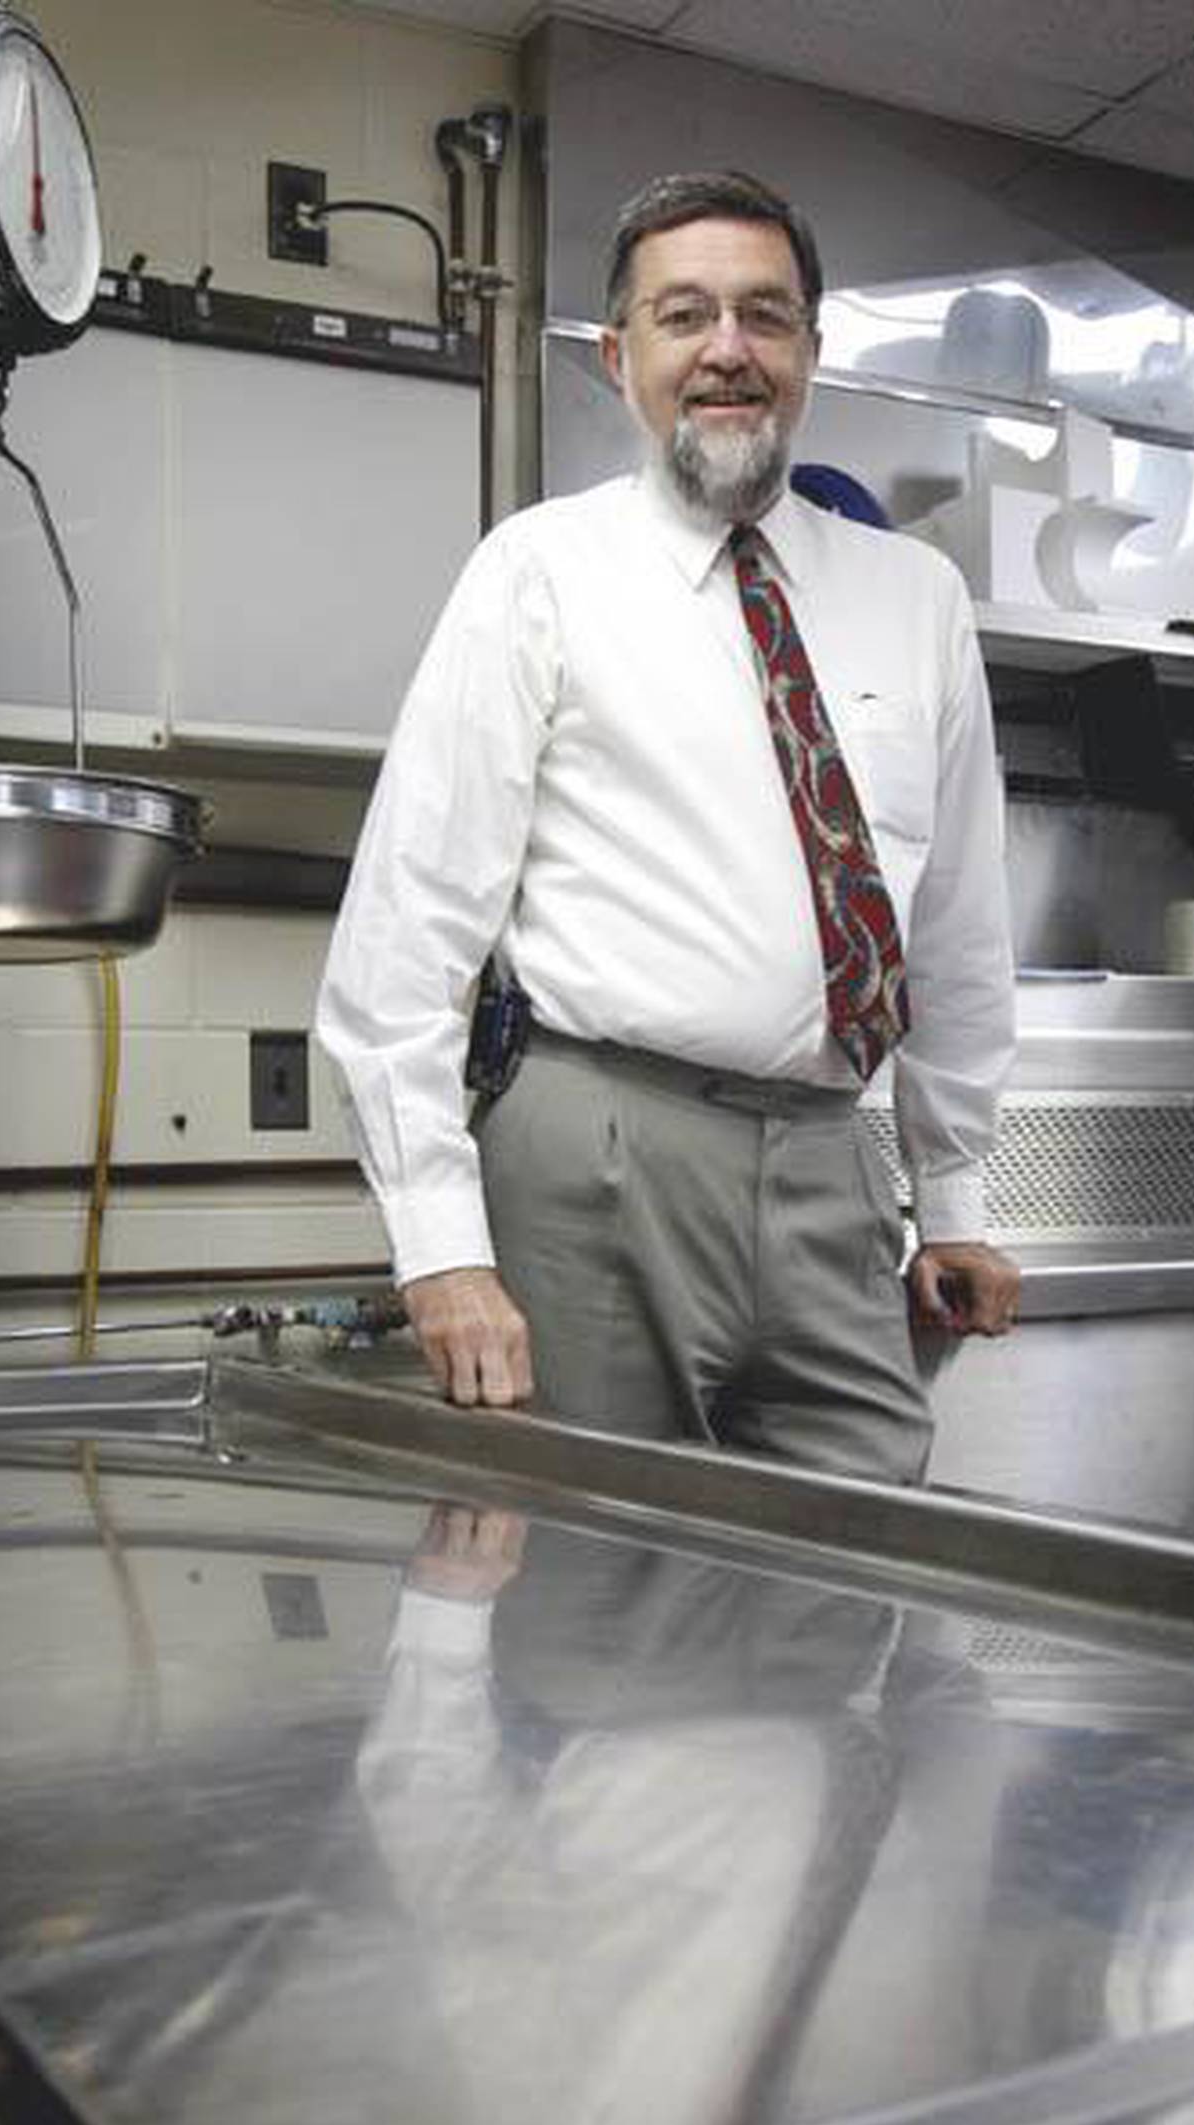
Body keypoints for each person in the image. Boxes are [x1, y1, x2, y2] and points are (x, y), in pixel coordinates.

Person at [317, 168, 1020, 1482]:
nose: (729, 352)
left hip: (835, 1168)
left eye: (767, 316)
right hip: (595, 1159)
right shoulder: (538, 572)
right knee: (595, 1596)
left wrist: (958, 1199)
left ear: (811, 349)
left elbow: (961, 930)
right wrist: (442, 1248)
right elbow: (407, 939)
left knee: (857, 1568)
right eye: (685, 315)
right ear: (617, 355)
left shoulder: (917, 598)